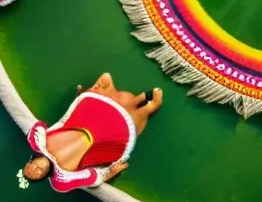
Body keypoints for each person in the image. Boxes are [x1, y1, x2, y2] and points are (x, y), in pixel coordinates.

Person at [17, 73, 164, 193]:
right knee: (136, 115)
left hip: (87, 119)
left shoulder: (38, 143)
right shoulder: (61, 179)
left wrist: (40, 144)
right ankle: (149, 107)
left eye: (32, 168)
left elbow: (39, 125)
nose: (38, 169)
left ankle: (140, 98)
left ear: (30, 162)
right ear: (43, 177)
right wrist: (111, 173)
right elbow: (93, 178)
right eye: (37, 174)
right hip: (105, 141)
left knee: (106, 78)